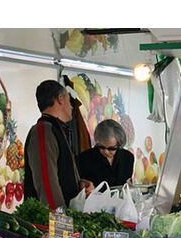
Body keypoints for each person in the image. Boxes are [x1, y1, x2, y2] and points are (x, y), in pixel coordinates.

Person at [24, 80, 93, 209]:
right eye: (69, 100)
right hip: (47, 219)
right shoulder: (43, 130)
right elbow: (46, 182)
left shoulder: (57, 129)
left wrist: (78, 183)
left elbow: (59, 173)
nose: (72, 107)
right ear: (60, 99)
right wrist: (59, 217)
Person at [76, 120, 135, 188]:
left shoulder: (128, 158)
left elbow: (127, 183)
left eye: (111, 148)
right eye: (101, 147)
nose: (106, 151)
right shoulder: (84, 158)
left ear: (119, 144)